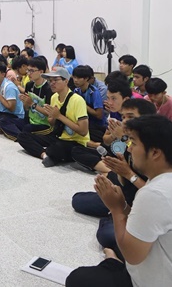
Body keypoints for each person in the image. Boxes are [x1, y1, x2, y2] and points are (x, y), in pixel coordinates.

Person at [66, 115, 172, 287]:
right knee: (120, 241)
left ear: (155, 153)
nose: (129, 149)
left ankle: (113, 263)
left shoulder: (155, 193)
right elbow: (144, 224)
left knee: (77, 279)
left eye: (134, 143)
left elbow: (132, 256)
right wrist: (122, 205)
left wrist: (116, 209)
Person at [71, 99, 157, 260]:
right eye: (123, 117)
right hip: (126, 196)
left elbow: (155, 193)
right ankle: (113, 211)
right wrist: (120, 172)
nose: (125, 122)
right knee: (77, 200)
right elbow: (109, 145)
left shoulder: (154, 149)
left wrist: (127, 174)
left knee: (108, 236)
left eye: (130, 117)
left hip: (145, 207)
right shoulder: (129, 143)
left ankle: (112, 214)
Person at [17, 67, 89, 167]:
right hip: (58, 137)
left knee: (56, 148)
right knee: (22, 136)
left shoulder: (77, 100)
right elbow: (52, 123)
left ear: (66, 81)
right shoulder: (54, 97)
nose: (52, 83)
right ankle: (44, 155)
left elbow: (83, 131)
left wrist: (59, 116)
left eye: (55, 80)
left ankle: (49, 154)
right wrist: (53, 118)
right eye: (50, 81)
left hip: (75, 141)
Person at [72, 80, 133, 173]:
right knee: (76, 150)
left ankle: (119, 172)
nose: (109, 102)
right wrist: (113, 135)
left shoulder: (134, 116)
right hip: (113, 150)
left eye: (114, 99)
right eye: (108, 98)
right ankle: (111, 171)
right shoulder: (114, 113)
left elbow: (137, 149)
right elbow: (106, 140)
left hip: (129, 154)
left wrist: (122, 136)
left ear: (126, 99)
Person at [145, 77, 172, 148]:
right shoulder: (147, 99)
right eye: (150, 94)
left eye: (156, 95)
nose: (152, 97)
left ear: (164, 93)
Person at [0, 62, 24, 139]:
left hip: (15, 116)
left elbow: (11, 108)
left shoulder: (9, 86)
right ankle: (0, 128)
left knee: (1, 120)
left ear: (3, 74)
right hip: (1, 113)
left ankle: (19, 136)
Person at [18, 58, 53, 137]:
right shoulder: (29, 85)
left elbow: (49, 113)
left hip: (44, 124)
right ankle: (21, 136)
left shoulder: (48, 89)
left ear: (41, 72)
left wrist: (32, 104)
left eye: (32, 71)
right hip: (30, 120)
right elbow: (26, 108)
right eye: (28, 70)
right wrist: (25, 102)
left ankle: (22, 136)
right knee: (4, 120)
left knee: (27, 129)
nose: (29, 73)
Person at [72, 65, 106, 142]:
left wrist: (82, 104)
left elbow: (99, 115)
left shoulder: (94, 92)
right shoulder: (76, 90)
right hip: (82, 122)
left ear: (86, 78)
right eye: (74, 77)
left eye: (79, 78)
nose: (75, 80)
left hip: (96, 126)